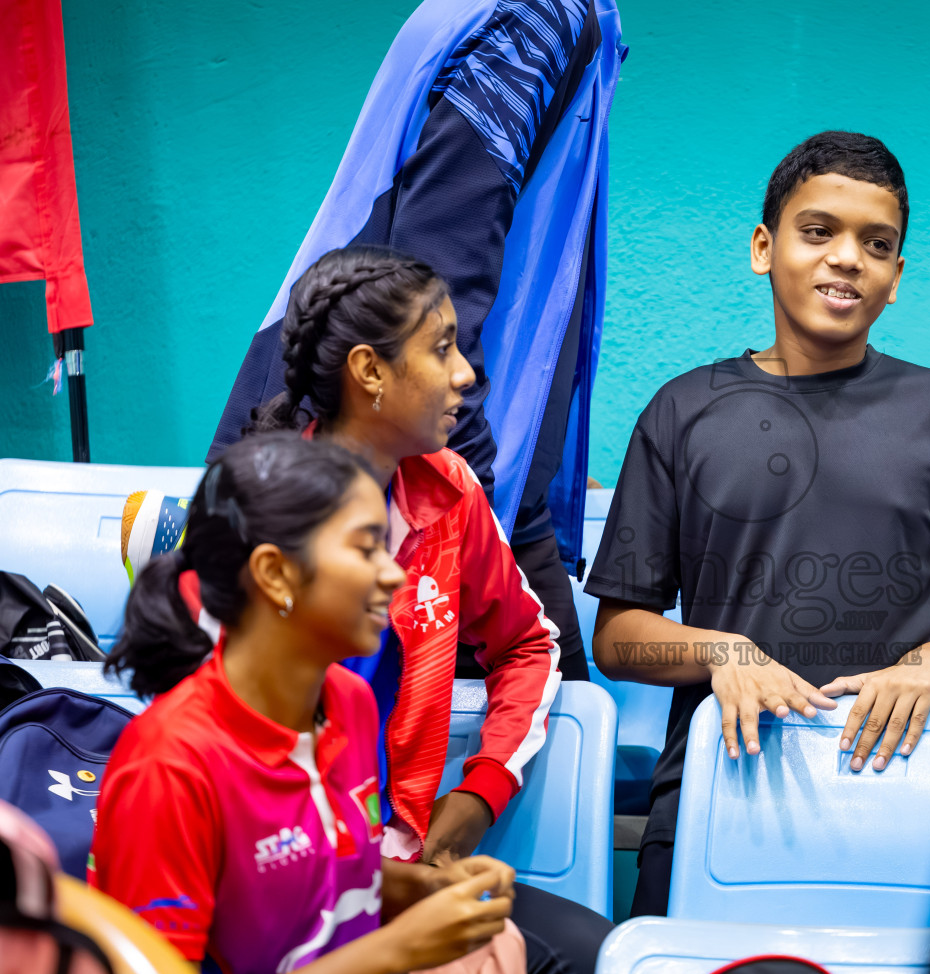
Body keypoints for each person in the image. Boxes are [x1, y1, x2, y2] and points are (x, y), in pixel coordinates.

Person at [584, 131, 930, 916]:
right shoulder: (683, 410)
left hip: (895, 793)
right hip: (714, 790)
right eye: (819, 231)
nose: (847, 258)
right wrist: (721, 652)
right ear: (764, 248)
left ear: (896, 277)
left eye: (876, 244)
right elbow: (617, 639)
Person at [211, 0, 628, 685]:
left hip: (403, 472)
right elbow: (430, 297)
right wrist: (473, 505)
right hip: (400, 488)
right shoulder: (534, 20)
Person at [251, 246, 611, 974]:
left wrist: (479, 794)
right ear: (369, 372)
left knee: (594, 960)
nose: (467, 375)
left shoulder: (446, 491)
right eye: (441, 348)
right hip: (280, 872)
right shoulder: (257, 512)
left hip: (391, 861)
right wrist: (385, 883)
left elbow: (529, 644)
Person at [92, 434, 520, 974]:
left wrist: (428, 892)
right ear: (275, 574)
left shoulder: (350, 703)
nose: (393, 575)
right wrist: (392, 950)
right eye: (367, 549)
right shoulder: (169, 765)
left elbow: (330, 869)